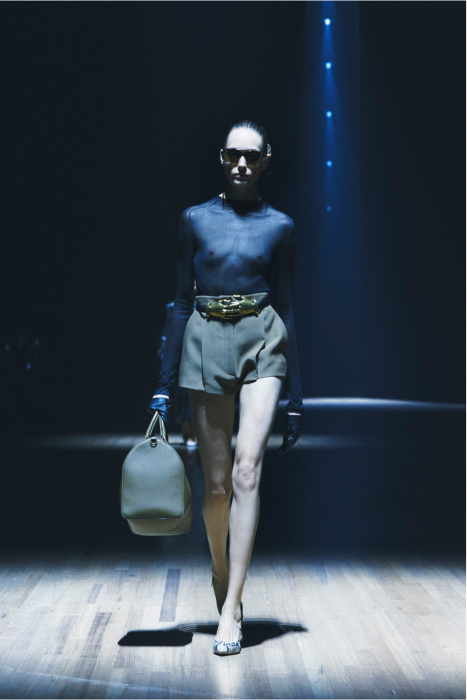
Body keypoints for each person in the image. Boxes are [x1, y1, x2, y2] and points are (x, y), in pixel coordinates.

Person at [148, 120, 303, 655]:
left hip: (263, 338)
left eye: (251, 156)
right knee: (216, 488)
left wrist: (296, 397)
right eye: (233, 154)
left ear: (265, 161)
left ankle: (231, 608)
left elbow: (287, 307)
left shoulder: (281, 226)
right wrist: (163, 386)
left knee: (246, 472)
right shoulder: (195, 219)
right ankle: (221, 571)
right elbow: (180, 303)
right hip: (205, 337)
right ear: (221, 157)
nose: (241, 163)